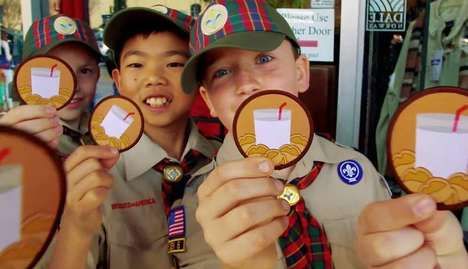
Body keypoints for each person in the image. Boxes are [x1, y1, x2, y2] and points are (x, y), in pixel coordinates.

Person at [180, 0, 468, 268]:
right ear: (208, 101)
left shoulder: (360, 173)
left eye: (264, 59)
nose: (246, 84)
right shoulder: (195, 204)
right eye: (221, 73)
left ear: (301, 72)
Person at [45, 6, 221, 269]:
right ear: (118, 79)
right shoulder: (91, 175)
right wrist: (76, 225)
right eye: (136, 64)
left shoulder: (224, 160)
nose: (153, 78)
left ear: (196, 78)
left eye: (173, 64)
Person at [0, 15, 101, 157]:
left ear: (97, 75)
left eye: (84, 71)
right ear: (25, 79)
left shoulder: (103, 130)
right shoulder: (20, 140)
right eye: (54, 75)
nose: (73, 87)